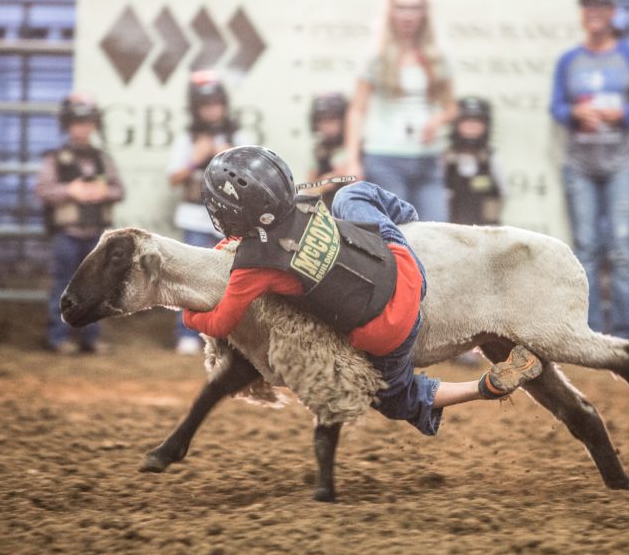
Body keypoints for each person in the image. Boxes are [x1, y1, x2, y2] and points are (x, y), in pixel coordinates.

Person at [182, 145, 543, 437]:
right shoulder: (304, 199)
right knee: (352, 193)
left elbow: (219, 323)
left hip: (389, 326)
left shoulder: (253, 266)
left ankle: (483, 387)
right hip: (406, 264)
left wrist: (186, 312)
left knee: (389, 396)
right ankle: (413, 223)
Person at [549, 0, 629, 340]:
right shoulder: (569, 60)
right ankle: (589, 330)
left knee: (623, 248)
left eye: (600, 5)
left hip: (623, 162)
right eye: (587, 5)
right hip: (580, 164)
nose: (593, 11)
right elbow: (557, 107)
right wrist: (575, 112)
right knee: (586, 248)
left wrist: (621, 114)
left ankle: (626, 333)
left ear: (612, 13)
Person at [343, 0, 457, 222]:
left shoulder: (436, 56)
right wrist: (352, 160)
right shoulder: (376, 55)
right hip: (385, 157)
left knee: (438, 231)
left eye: (414, 7)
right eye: (401, 7)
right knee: (398, 235)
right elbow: (357, 109)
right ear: (390, 10)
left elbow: (451, 107)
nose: (408, 15)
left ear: (424, 12)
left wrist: (438, 120)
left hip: (428, 159)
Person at [36, 93, 125, 354]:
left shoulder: (102, 158)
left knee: (97, 288)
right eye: (77, 122)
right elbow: (42, 190)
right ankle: (57, 337)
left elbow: (118, 190)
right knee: (64, 286)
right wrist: (69, 191)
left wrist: (104, 192)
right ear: (67, 125)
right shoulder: (54, 159)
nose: (82, 128)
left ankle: (91, 338)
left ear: (94, 125)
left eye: (87, 122)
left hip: (96, 234)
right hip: (67, 234)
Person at [166, 71, 244, 354]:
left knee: (230, 280)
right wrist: (195, 159)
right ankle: (186, 334)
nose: (212, 110)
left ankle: (227, 338)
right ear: (196, 109)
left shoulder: (238, 137)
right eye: (205, 105)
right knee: (191, 278)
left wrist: (231, 156)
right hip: (194, 218)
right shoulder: (187, 139)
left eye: (216, 103)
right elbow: (173, 178)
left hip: (231, 221)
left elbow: (255, 179)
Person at [443, 95, 503, 226]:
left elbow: (501, 194)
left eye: (477, 122)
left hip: (484, 232)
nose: (471, 127)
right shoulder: (445, 159)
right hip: (448, 230)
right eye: (466, 121)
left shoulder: (491, 159)